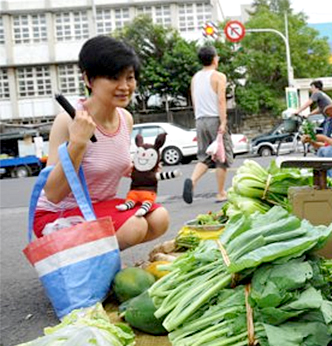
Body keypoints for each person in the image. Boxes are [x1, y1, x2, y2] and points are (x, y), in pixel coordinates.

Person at [34, 35, 170, 250]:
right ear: (88, 79)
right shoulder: (68, 121)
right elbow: (53, 193)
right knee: (134, 225)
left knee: (158, 217)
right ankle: (90, 266)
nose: (124, 86)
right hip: (57, 214)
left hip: (99, 207)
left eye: (130, 77)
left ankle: (97, 262)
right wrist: (78, 144)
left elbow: (109, 163)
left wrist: (140, 169)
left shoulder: (125, 118)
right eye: (114, 78)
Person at [183, 45, 233, 204]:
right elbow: (221, 100)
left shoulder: (195, 77)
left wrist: (199, 118)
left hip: (200, 120)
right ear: (214, 58)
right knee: (221, 157)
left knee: (204, 157)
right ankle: (220, 193)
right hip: (214, 119)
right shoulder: (219, 76)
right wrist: (223, 121)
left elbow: (194, 101)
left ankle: (192, 180)